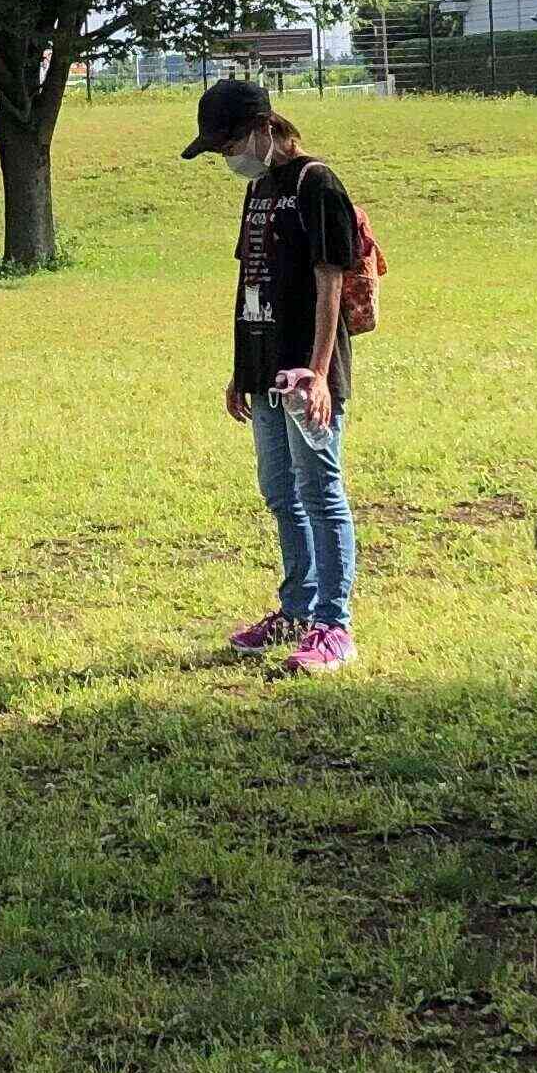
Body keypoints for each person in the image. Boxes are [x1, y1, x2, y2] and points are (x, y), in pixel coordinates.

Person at [186, 76, 360, 677]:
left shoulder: (317, 183)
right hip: (263, 373)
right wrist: (243, 369)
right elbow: (251, 280)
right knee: (281, 492)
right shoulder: (258, 189)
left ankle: (333, 625)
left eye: (231, 142)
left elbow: (331, 278)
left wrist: (315, 372)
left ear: (264, 127)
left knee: (320, 493)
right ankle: (295, 608)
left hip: (306, 374)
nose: (229, 157)